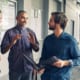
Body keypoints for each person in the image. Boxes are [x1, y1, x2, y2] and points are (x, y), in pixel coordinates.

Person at [39, 12, 80, 80]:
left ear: (58, 23)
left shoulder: (70, 40)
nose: (48, 22)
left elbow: (78, 59)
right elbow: (43, 58)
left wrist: (64, 63)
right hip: (46, 77)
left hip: (61, 77)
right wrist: (41, 67)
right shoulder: (47, 39)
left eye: (51, 20)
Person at [1, 10, 39, 80]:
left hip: (28, 68)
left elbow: (37, 49)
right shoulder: (9, 32)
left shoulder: (31, 32)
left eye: (27, 18)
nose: (25, 20)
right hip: (15, 68)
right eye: (23, 18)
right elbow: (3, 50)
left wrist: (33, 43)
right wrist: (12, 43)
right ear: (17, 18)